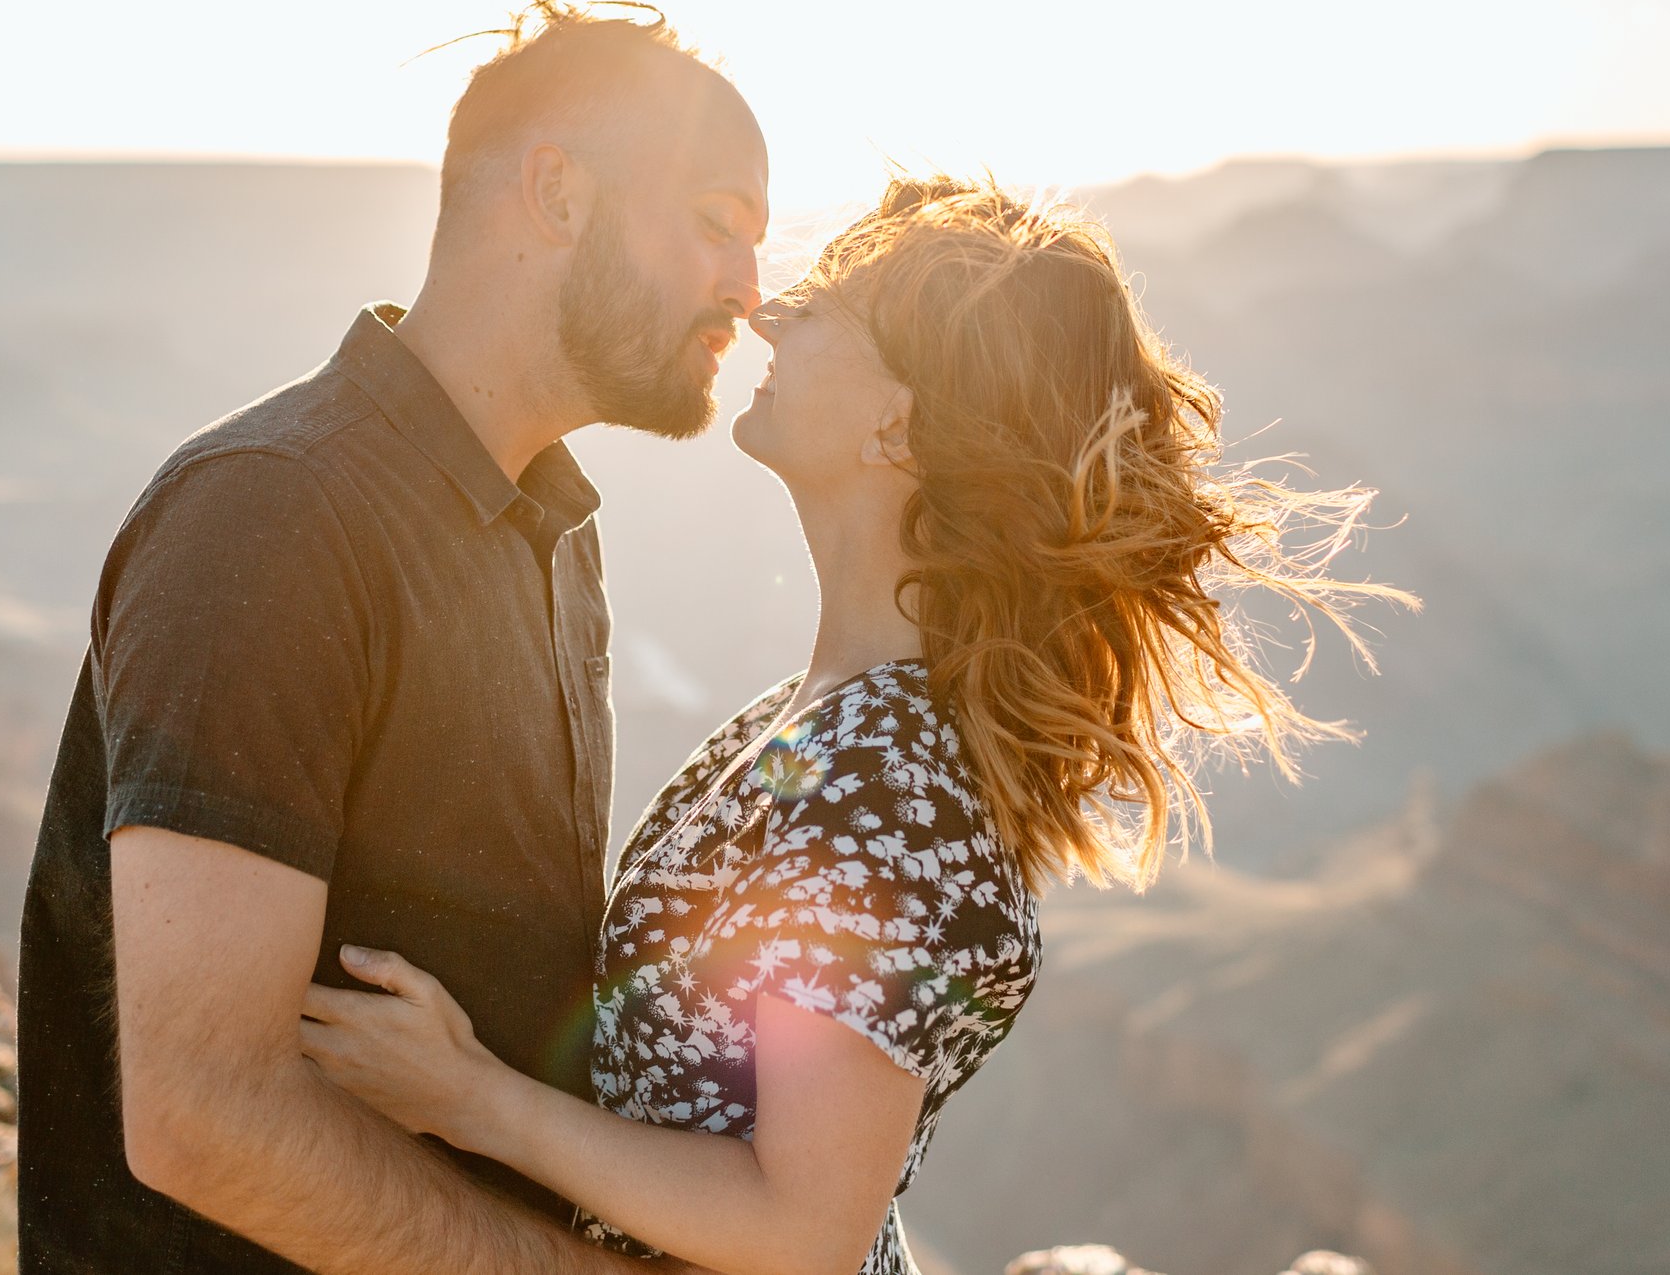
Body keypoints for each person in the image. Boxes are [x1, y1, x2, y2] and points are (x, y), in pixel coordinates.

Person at [298, 175, 1404, 1275]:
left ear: (898, 418)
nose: (769, 312)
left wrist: (472, 1098)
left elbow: (802, 1227)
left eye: (824, 301)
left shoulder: (887, 783)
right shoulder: (829, 719)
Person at [16, 0, 770, 1274]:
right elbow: (205, 1114)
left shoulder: (552, 527)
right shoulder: (275, 514)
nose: (749, 293)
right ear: (558, 194)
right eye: (717, 225)